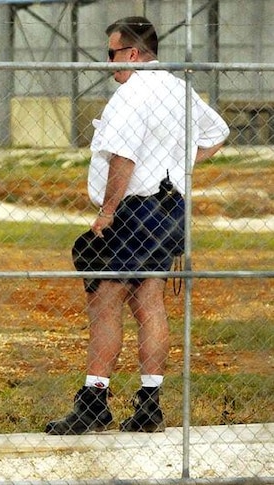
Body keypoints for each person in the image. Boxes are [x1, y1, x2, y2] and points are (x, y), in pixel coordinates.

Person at [45, 17, 229, 435]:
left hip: (136, 209)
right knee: (150, 303)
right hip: (171, 209)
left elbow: (123, 159)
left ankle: (94, 401)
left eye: (112, 54)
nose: (109, 63)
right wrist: (181, 164)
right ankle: (150, 404)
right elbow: (217, 133)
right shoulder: (178, 89)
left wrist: (108, 211)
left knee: (106, 302)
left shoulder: (131, 95)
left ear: (132, 53)